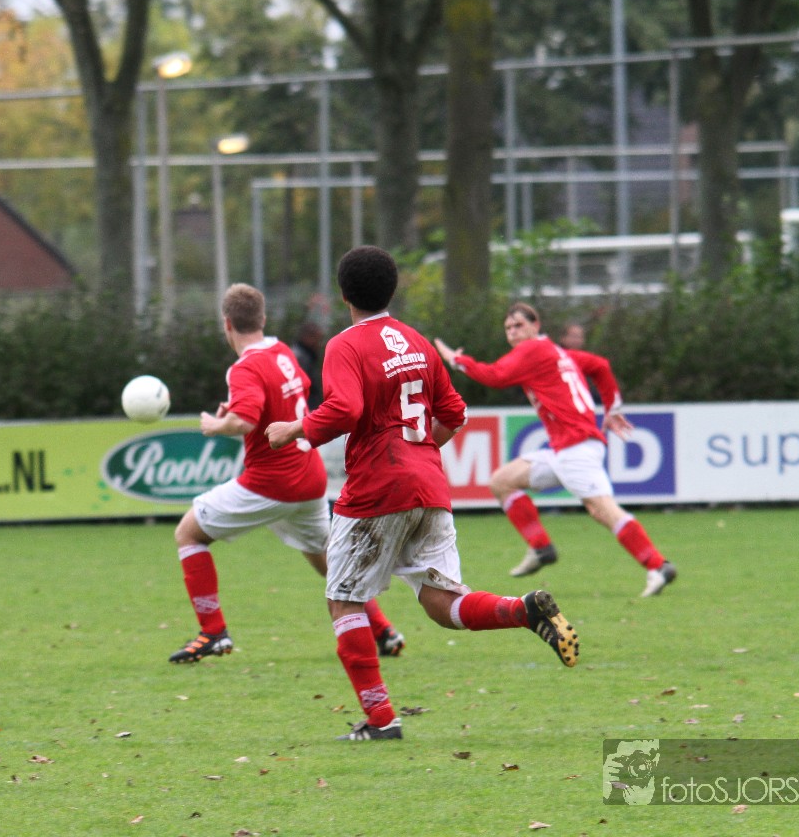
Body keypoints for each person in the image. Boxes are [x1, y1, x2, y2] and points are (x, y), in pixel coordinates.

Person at [266, 247, 579, 741]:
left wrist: (294, 429)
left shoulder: (345, 345)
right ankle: (523, 609)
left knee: (344, 601)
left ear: (344, 295)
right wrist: (420, 452)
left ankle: (380, 720)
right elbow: (455, 412)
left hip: (376, 488)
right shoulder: (416, 341)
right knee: (441, 603)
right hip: (429, 487)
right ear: (392, 290)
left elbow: (344, 409)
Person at [169, 283, 405, 663]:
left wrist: (216, 425)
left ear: (226, 323)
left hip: (271, 482)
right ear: (262, 318)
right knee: (327, 560)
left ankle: (213, 632)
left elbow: (245, 421)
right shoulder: (281, 352)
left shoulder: (244, 367)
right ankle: (383, 629)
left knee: (188, 534)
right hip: (308, 478)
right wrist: (241, 409)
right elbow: (289, 396)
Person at [433, 302, 677, 597]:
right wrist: (612, 408)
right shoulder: (558, 353)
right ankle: (541, 547)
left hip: (576, 449)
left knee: (602, 510)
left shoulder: (532, 350)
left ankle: (657, 565)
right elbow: (600, 366)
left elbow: (494, 375)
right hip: (565, 449)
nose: (512, 332)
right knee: (502, 481)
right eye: (508, 328)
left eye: (519, 325)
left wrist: (456, 359)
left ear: (536, 326)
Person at [291, 320, 325, 412]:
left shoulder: (309, 356)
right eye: (317, 339)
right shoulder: (299, 357)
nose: (319, 343)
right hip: (303, 410)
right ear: (308, 337)